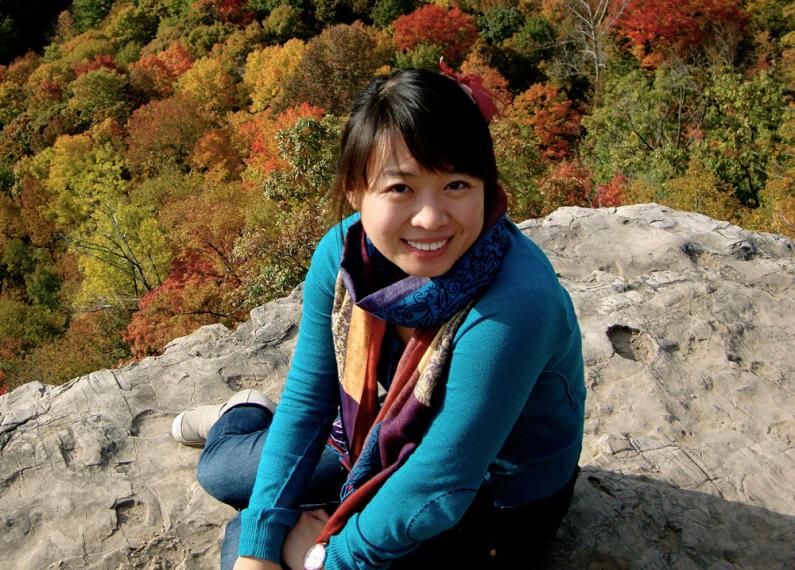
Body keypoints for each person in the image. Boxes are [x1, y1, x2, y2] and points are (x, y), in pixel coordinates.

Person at [171, 67, 585, 570]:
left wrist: (330, 558)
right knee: (225, 481)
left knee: (243, 534)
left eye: (456, 184)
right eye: (400, 189)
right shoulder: (345, 259)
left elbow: (441, 483)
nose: (431, 218)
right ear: (354, 190)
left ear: (486, 186)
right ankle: (241, 412)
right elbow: (309, 399)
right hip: (371, 437)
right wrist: (265, 540)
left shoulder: (514, 306)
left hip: (492, 501)